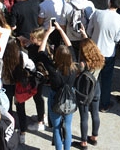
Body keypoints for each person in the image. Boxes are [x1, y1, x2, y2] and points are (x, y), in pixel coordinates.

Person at [37, 22, 78, 150]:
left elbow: (41, 51)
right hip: (70, 96)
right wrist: (60, 30)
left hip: (56, 97)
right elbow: (70, 45)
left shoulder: (53, 69)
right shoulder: (74, 67)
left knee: (56, 127)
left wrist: (48, 32)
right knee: (68, 126)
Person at [87, 0, 120, 112]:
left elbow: (89, 30)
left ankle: (90, 101)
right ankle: (104, 104)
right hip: (109, 51)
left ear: (109, 2)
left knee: (93, 77)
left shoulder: (98, 13)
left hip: (95, 50)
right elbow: (118, 38)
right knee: (106, 79)